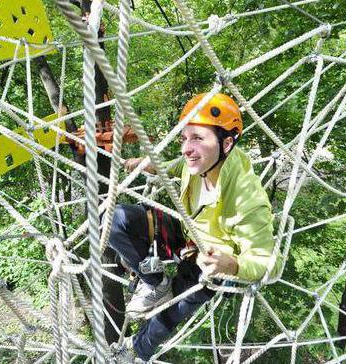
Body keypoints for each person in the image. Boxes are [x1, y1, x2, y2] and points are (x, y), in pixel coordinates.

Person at [110, 93, 279, 361]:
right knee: (117, 220)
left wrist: (231, 265)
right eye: (184, 138)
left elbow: (269, 265)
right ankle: (155, 283)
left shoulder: (247, 198)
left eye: (198, 138)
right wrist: (147, 166)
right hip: (184, 236)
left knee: (164, 317)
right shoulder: (196, 163)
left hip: (211, 263)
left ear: (226, 143)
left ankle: (133, 353)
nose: (187, 148)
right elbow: (174, 167)